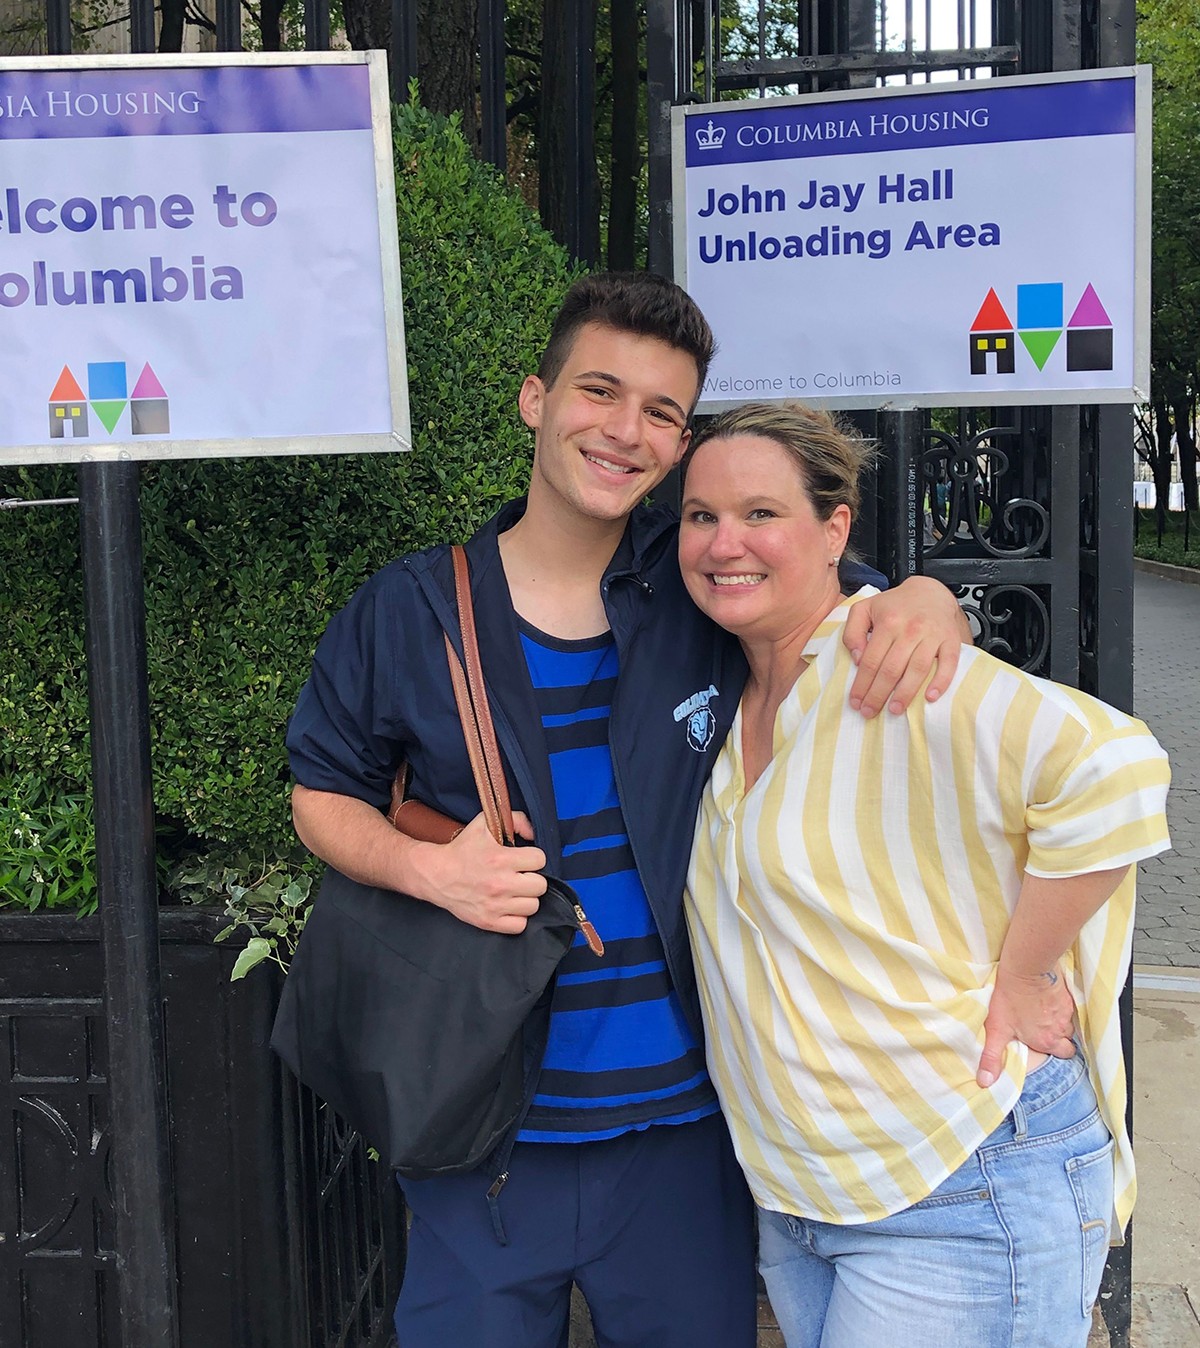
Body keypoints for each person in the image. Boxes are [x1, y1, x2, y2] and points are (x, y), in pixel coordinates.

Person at [284, 274, 968, 1348]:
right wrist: (429, 870)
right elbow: (321, 792)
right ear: (535, 399)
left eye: (662, 411)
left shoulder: (704, 584)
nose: (626, 431)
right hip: (484, 1138)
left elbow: (849, 599)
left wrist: (930, 598)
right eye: (599, 391)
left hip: (688, 1141)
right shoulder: (412, 610)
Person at [677, 401, 1171, 1348]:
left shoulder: (895, 665)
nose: (724, 541)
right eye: (701, 516)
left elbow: (1116, 772)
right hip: (800, 1196)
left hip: (961, 1177)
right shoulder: (718, 692)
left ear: (835, 529)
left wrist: (1026, 974)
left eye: (760, 513)